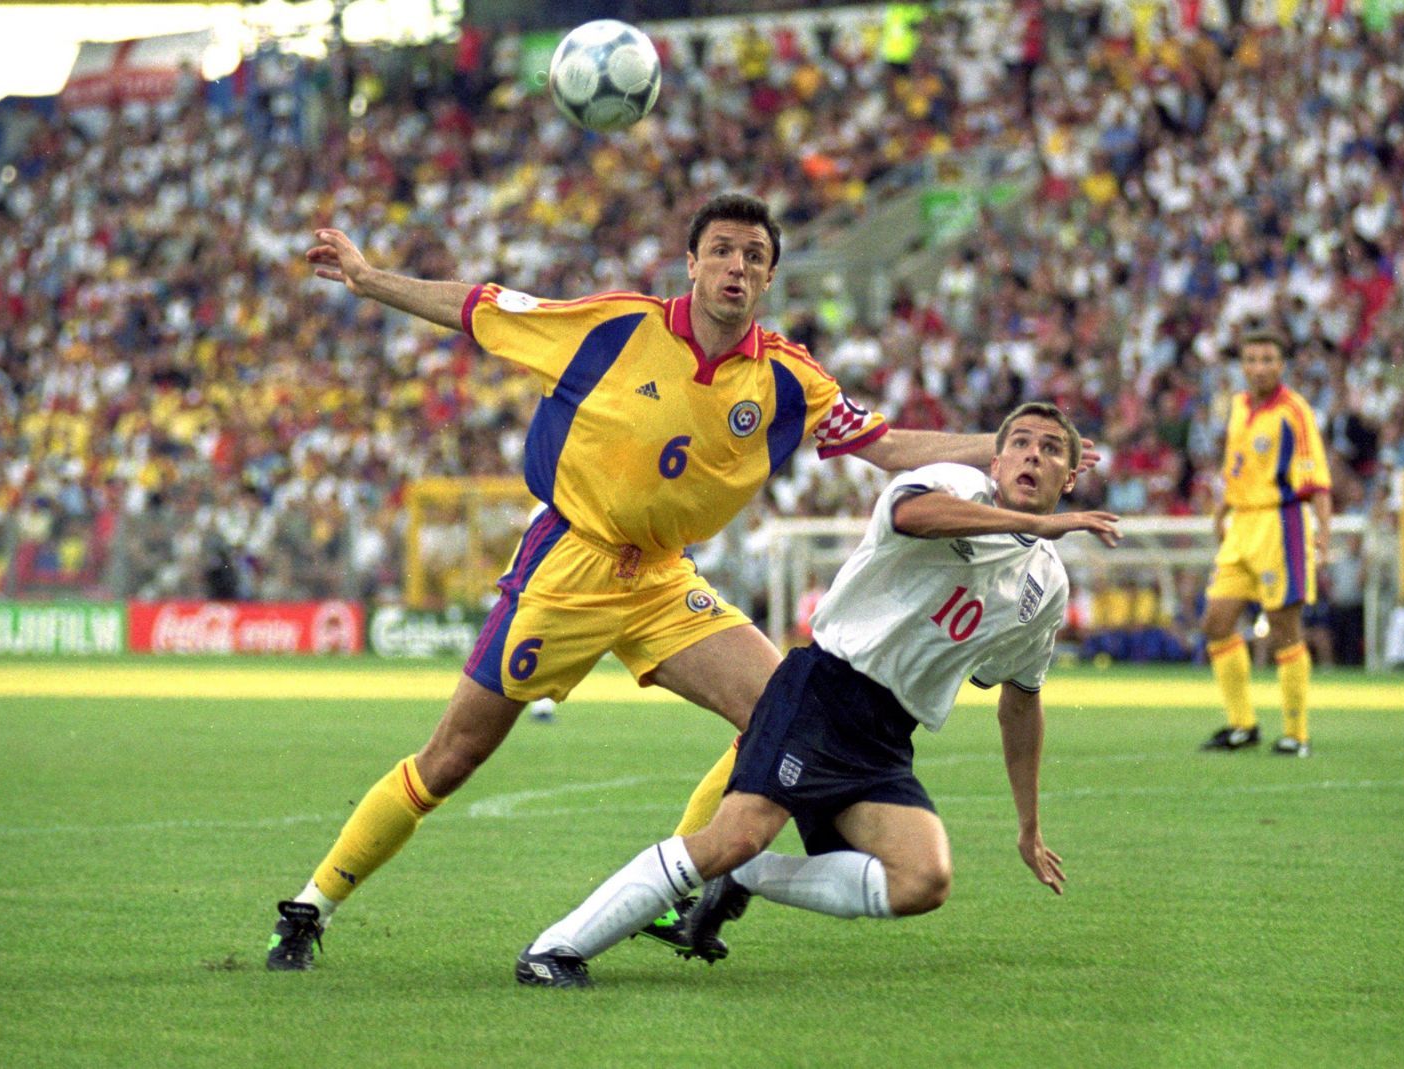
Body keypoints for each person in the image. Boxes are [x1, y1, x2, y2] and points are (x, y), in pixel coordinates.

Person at [266, 193, 1070, 970]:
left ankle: (684, 884)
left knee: (779, 709)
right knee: (451, 757)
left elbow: (891, 448)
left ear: (768, 279)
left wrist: (999, 451)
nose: (737, 266)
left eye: (754, 257)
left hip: (661, 579)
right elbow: (479, 307)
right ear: (691, 263)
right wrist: (371, 280)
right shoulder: (618, 325)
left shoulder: (788, 378)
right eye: (721, 249)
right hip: (569, 562)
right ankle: (311, 905)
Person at [511, 402, 1119, 987]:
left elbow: (1020, 698)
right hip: (822, 691)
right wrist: (1032, 524)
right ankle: (554, 949)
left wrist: (1029, 826)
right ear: (995, 461)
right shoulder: (956, 484)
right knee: (732, 835)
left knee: (922, 880)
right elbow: (911, 516)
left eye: (1051, 449)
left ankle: (747, 876)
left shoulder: (1046, 585)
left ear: (1070, 478)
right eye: (1019, 442)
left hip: (886, 734)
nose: (1032, 455)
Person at [1199, 332, 1331, 758]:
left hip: (1281, 523)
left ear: (1282, 365)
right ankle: (1242, 725)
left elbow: (1317, 481)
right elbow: (1235, 464)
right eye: (1252, 359)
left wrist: (1323, 535)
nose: (1259, 367)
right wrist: (1222, 510)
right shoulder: (1239, 406)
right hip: (1240, 525)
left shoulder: (1296, 412)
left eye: (1268, 359)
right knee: (1216, 622)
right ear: (1242, 365)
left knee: (1284, 632)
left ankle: (1297, 733)